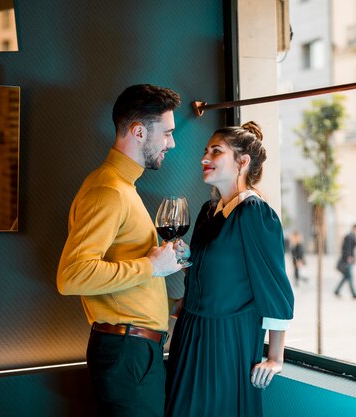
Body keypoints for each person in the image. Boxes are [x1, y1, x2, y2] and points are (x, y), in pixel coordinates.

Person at [57, 84, 185, 417]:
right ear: (140, 132)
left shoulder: (122, 186)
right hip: (128, 351)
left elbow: (127, 276)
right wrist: (152, 267)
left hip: (134, 350)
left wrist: (171, 305)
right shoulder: (109, 190)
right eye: (167, 133)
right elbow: (72, 276)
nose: (172, 143)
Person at [165, 121, 295, 417]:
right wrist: (187, 259)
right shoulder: (206, 212)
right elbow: (206, 275)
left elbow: (275, 288)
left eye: (216, 152)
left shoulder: (255, 213)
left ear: (243, 162)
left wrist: (275, 357)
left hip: (227, 339)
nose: (204, 158)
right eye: (205, 151)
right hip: (189, 334)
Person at [334, 224, 356, 299]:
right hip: (348, 260)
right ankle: (353, 294)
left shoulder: (352, 236)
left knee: (346, 277)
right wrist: (349, 257)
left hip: (349, 259)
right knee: (349, 277)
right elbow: (347, 248)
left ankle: (337, 290)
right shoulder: (349, 236)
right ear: (355, 228)